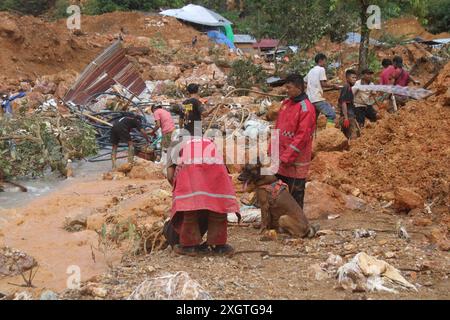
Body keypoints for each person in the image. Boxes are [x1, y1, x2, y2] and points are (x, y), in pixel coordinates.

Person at [165, 137, 239, 256]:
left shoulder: (174, 143)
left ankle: (190, 246)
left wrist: (180, 191)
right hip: (217, 170)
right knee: (217, 206)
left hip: (192, 170)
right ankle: (219, 246)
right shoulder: (209, 140)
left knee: (189, 209)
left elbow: (170, 175)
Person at [270, 74, 316, 209]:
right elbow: (277, 127)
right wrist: (272, 149)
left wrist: (287, 156)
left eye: (289, 87)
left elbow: (302, 136)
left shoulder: (306, 108)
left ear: (299, 88)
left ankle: (297, 224)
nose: (286, 90)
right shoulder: (286, 104)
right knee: (278, 192)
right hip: (280, 158)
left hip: (295, 161)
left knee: (295, 194)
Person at [304, 53, 340, 128]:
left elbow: (305, 82)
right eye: (325, 61)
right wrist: (333, 85)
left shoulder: (311, 71)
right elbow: (323, 83)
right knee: (331, 114)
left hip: (309, 99)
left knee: (313, 118)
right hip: (317, 98)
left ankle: (311, 134)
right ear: (321, 60)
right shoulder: (321, 69)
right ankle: (329, 132)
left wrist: (310, 88)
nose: (325, 63)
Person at [338, 69, 358, 140]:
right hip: (348, 117)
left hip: (348, 116)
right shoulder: (346, 87)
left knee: (346, 135)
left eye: (355, 78)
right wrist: (346, 118)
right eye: (353, 77)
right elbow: (343, 103)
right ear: (347, 78)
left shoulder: (349, 87)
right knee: (353, 136)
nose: (355, 80)